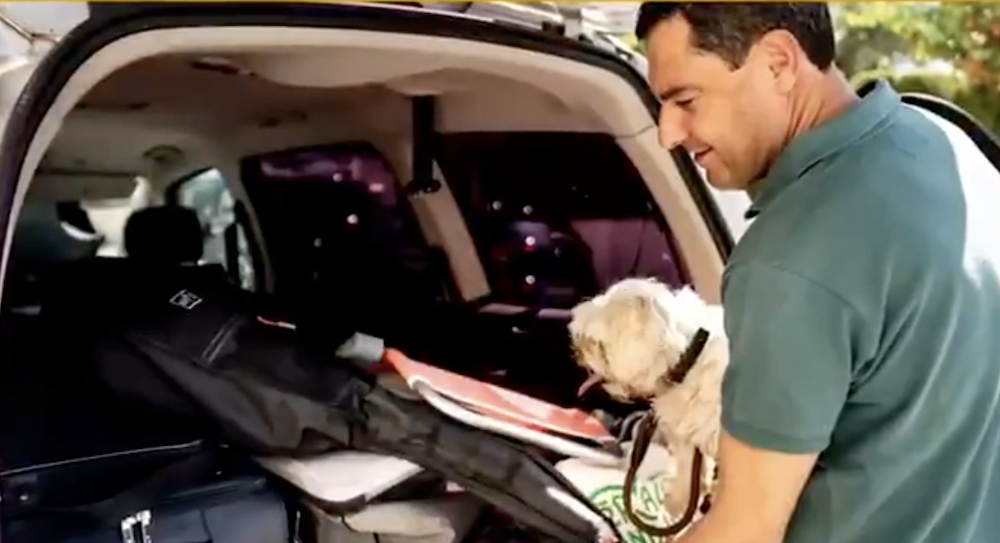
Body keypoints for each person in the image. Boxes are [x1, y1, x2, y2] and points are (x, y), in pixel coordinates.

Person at [635, 3, 1000, 543]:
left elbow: (744, 530)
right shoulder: (947, 146)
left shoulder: (791, 258)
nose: (668, 133)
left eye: (685, 100)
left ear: (779, 61)